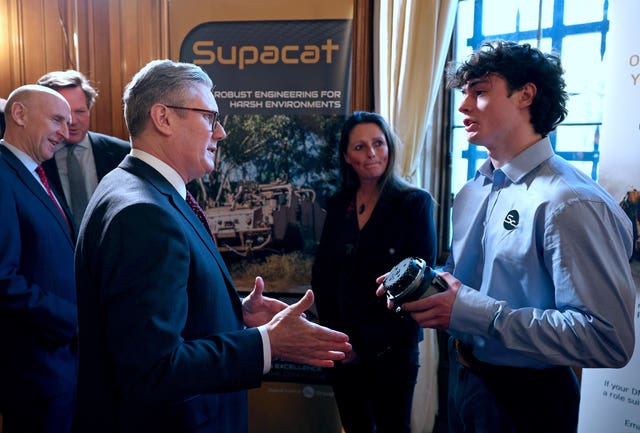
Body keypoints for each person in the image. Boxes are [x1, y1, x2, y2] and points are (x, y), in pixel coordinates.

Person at [74, 59, 352, 433]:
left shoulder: (136, 187)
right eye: (209, 117)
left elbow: (149, 319)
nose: (220, 132)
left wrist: (233, 313)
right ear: (164, 118)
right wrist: (266, 343)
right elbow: (153, 369)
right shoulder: (142, 213)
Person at [377, 40, 637, 433]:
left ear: (526, 95)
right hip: (463, 383)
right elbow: (469, 283)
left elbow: (607, 339)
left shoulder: (571, 203)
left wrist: (474, 313)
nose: (463, 106)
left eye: (480, 92)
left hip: (529, 403)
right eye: (464, 94)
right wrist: (429, 290)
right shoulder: (472, 190)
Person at [311, 111, 437, 433]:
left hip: (391, 350)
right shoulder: (339, 204)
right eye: (360, 147)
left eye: (378, 143)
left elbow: (417, 285)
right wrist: (338, 343)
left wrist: (366, 349)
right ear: (346, 156)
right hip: (341, 346)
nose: (371, 154)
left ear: (389, 147)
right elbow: (323, 276)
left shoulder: (414, 203)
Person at [0, 85, 76, 433]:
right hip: (34, 373)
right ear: (19, 114)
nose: (66, 131)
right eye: (57, 120)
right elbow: (3, 280)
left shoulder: (35, 172)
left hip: (61, 367)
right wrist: (77, 320)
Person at [37, 70, 130, 228]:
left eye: (80, 111)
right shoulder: (35, 157)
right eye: (62, 113)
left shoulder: (122, 153)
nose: (72, 121)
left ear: (89, 110)